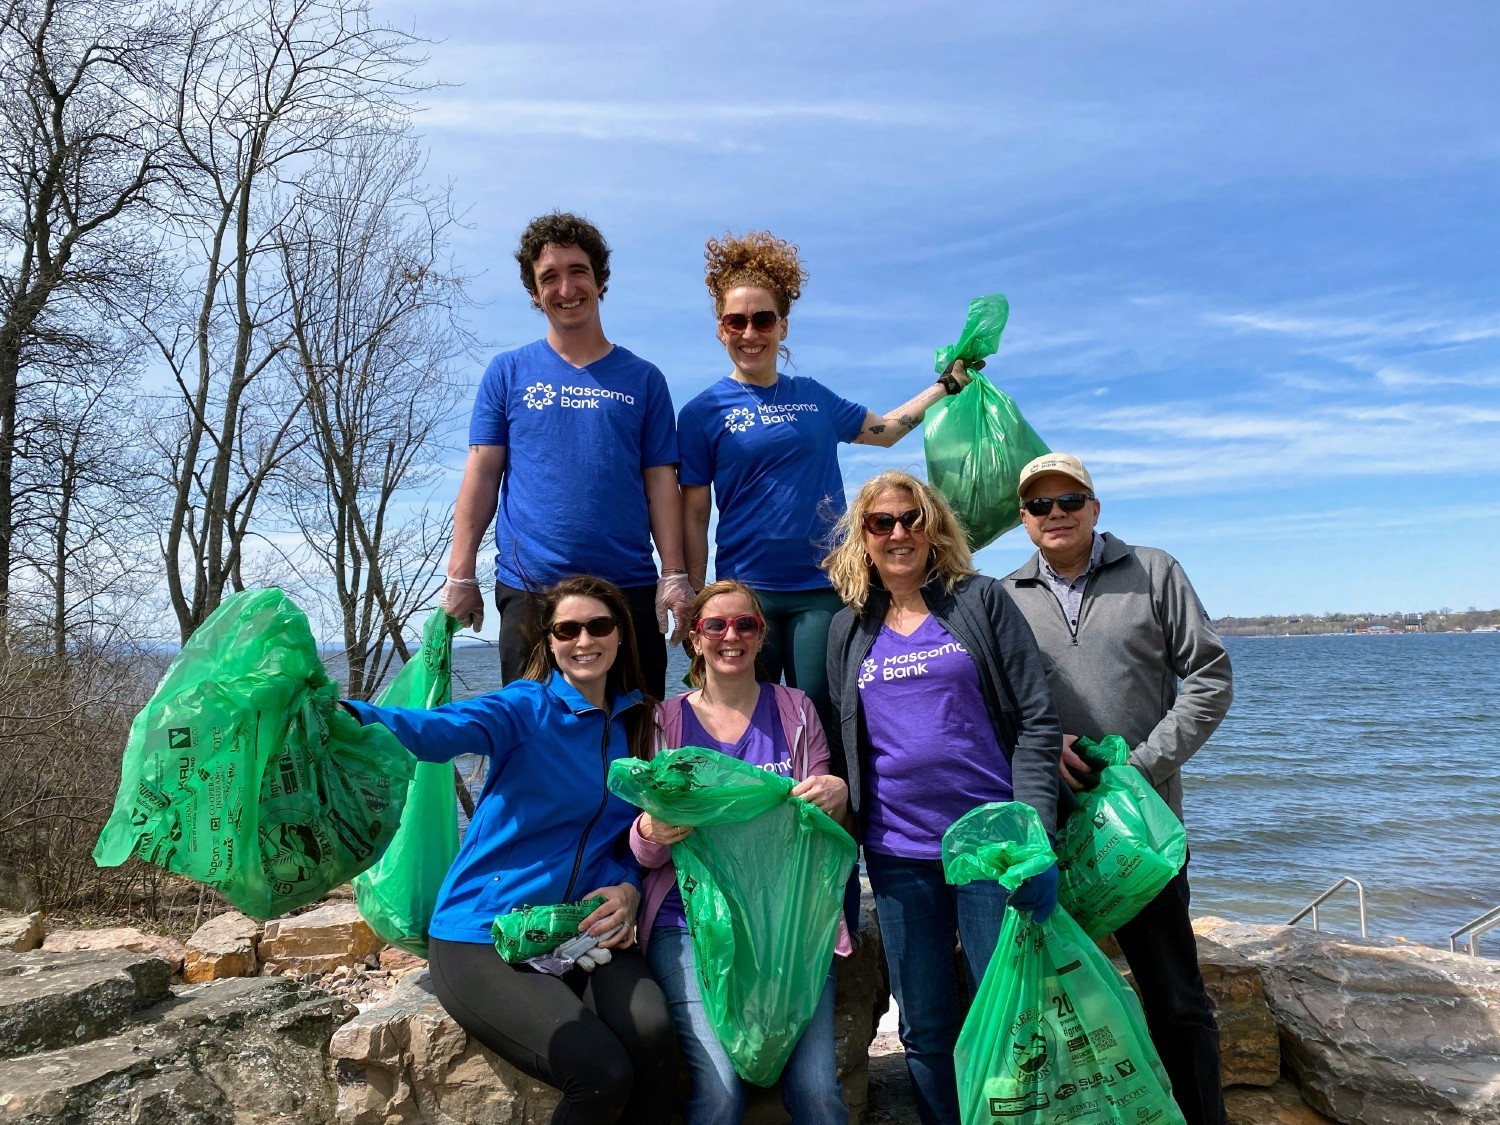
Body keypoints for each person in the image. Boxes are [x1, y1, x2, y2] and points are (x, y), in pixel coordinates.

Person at [343, 576, 678, 1124]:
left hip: (577, 927)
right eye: (566, 629)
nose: (583, 639)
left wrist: (627, 887)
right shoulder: (526, 707)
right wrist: (349, 716)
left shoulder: (638, 723)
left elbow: (624, 836)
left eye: (599, 625)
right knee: (601, 1074)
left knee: (655, 1040)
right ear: (549, 642)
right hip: (483, 936)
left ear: (620, 636)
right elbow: (437, 729)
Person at [823, 470, 1063, 1125]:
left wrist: (1034, 832)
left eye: (911, 519)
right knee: (925, 1022)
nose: (898, 532)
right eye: (882, 522)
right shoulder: (849, 628)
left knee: (1010, 1015)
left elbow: (1037, 718)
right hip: (898, 853)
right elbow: (846, 740)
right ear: (863, 537)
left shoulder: (980, 602)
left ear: (934, 529)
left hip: (992, 849)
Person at [1002, 452, 1232, 1125]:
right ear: (1023, 519)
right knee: (1056, 1010)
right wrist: (1049, 745)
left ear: (1095, 507)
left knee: (1176, 1000)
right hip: (1053, 837)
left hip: (1142, 834)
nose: (1055, 515)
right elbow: (995, 704)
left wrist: (1141, 763)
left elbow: (1211, 677)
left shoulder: (1154, 570)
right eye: (1039, 505)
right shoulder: (1004, 594)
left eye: (1069, 500)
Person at [677, 231, 974, 730]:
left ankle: (831, 807)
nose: (750, 332)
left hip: (821, 585)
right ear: (720, 330)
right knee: (743, 718)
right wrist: (693, 590)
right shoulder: (702, 412)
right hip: (746, 590)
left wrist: (943, 387)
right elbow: (693, 512)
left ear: (783, 326)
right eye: (736, 321)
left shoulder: (813, 397)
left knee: (821, 711)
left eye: (763, 319)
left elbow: (884, 432)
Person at [438, 212, 693, 698]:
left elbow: (663, 483)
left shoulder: (644, 379)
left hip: (628, 590)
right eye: (548, 277)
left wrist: (674, 575)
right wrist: (460, 573)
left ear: (600, 281)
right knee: (529, 747)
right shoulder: (507, 372)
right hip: (531, 590)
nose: (565, 287)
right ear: (534, 294)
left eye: (578, 271)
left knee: (637, 748)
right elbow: (482, 474)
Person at [631, 579, 852, 1125]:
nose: (731, 636)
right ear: (694, 638)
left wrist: (838, 795)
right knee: (720, 1089)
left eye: (745, 625)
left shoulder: (797, 710)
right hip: (688, 925)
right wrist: (649, 830)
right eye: (715, 625)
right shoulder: (664, 722)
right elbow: (641, 852)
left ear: (761, 637)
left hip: (790, 927)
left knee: (818, 1091)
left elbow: (824, 827)